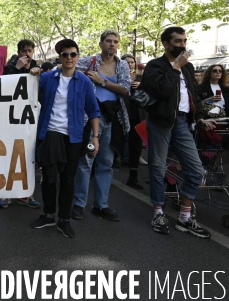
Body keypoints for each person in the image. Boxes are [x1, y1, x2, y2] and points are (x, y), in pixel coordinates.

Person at [142, 26, 214, 238]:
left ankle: (184, 217)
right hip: (160, 123)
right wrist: (175, 67)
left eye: (184, 40)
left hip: (182, 123)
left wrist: (200, 116)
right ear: (166, 44)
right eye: (178, 41)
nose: (183, 45)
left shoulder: (188, 67)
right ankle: (158, 211)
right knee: (158, 168)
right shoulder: (155, 66)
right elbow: (162, 90)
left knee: (196, 170)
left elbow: (194, 95)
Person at [30, 40, 100, 238]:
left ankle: (64, 219)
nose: (69, 58)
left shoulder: (84, 81)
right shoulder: (47, 78)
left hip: (73, 137)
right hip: (50, 134)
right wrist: (33, 74)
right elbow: (28, 90)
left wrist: (95, 137)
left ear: (78, 57)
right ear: (59, 57)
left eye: (73, 54)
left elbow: (93, 111)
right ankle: (48, 214)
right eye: (65, 54)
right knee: (49, 178)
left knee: (68, 179)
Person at [72, 30, 130, 222]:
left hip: (112, 120)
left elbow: (125, 89)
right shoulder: (89, 62)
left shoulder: (122, 65)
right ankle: (79, 204)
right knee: (86, 161)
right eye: (108, 41)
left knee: (106, 163)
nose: (112, 45)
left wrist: (102, 82)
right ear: (101, 44)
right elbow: (67, 69)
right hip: (90, 120)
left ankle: (101, 205)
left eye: (115, 42)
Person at [0, 39, 40, 209]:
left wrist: (38, 73)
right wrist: (17, 69)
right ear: (19, 52)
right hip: (9, 116)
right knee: (8, 154)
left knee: (27, 156)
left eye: (30, 51)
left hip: (28, 117)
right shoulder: (9, 65)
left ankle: (25, 194)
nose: (27, 54)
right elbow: (2, 84)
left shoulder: (36, 65)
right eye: (25, 51)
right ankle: (5, 194)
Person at [121, 53, 144, 189]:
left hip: (137, 116)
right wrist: (126, 82)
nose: (130, 65)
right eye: (127, 62)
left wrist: (141, 85)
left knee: (135, 146)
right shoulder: (118, 77)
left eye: (132, 62)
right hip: (121, 115)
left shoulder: (141, 78)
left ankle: (133, 177)